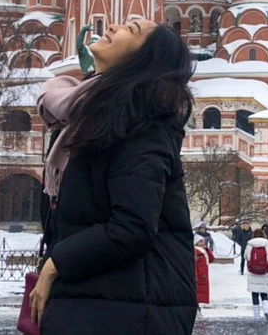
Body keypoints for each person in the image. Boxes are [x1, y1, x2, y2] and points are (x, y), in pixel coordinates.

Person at [30, 20, 197, 334]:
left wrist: (56, 264)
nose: (114, 26)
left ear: (142, 61)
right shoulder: (91, 115)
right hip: (100, 301)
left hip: (129, 309)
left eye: (130, 29)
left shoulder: (144, 124)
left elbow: (133, 226)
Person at [245, 227, 268, 322]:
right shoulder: (267, 245)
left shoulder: (250, 245)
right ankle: (266, 310)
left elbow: (246, 256)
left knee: (254, 294)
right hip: (264, 272)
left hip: (252, 272)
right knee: (264, 293)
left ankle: (257, 316)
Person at [194, 234, 216, 304]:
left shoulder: (203, 251)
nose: (202, 243)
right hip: (200, 277)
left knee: (202, 296)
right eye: (200, 241)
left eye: (203, 241)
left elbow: (211, 259)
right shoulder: (196, 252)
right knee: (198, 297)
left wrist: (207, 249)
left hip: (204, 277)